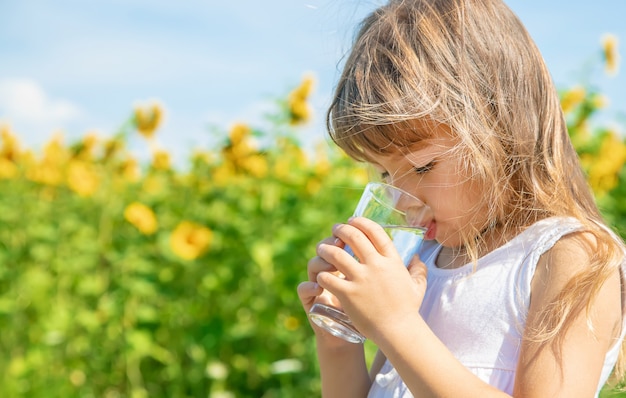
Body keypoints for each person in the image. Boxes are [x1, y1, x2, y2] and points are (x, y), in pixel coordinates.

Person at [296, 0, 626, 396]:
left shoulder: (570, 256)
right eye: (385, 173)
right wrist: (339, 341)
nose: (401, 201)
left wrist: (396, 325)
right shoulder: (422, 269)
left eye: (422, 167)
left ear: (500, 128)